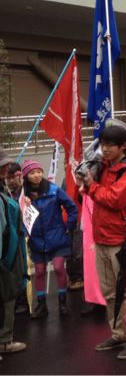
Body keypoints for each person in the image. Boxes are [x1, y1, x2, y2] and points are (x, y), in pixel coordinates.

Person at [77, 125, 126, 359]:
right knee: (109, 292)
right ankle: (120, 334)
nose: (105, 149)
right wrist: (87, 181)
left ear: (123, 147)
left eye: (110, 145)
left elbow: (115, 199)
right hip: (102, 238)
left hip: (123, 241)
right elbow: (93, 193)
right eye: (102, 144)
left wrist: (91, 185)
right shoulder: (104, 166)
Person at [21, 159, 78, 318]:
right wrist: (25, 232)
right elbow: (21, 216)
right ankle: (41, 306)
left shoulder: (54, 190)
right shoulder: (23, 195)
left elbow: (72, 207)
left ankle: (63, 303)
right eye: (32, 173)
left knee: (59, 268)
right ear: (26, 176)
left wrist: (69, 225)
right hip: (36, 240)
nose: (37, 175)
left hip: (57, 237)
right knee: (39, 272)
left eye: (39, 171)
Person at [0, 147, 27, 357]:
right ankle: (4, 341)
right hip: (4, 259)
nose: (7, 167)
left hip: (8, 254)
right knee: (6, 298)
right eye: (3, 165)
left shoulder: (3, 190)